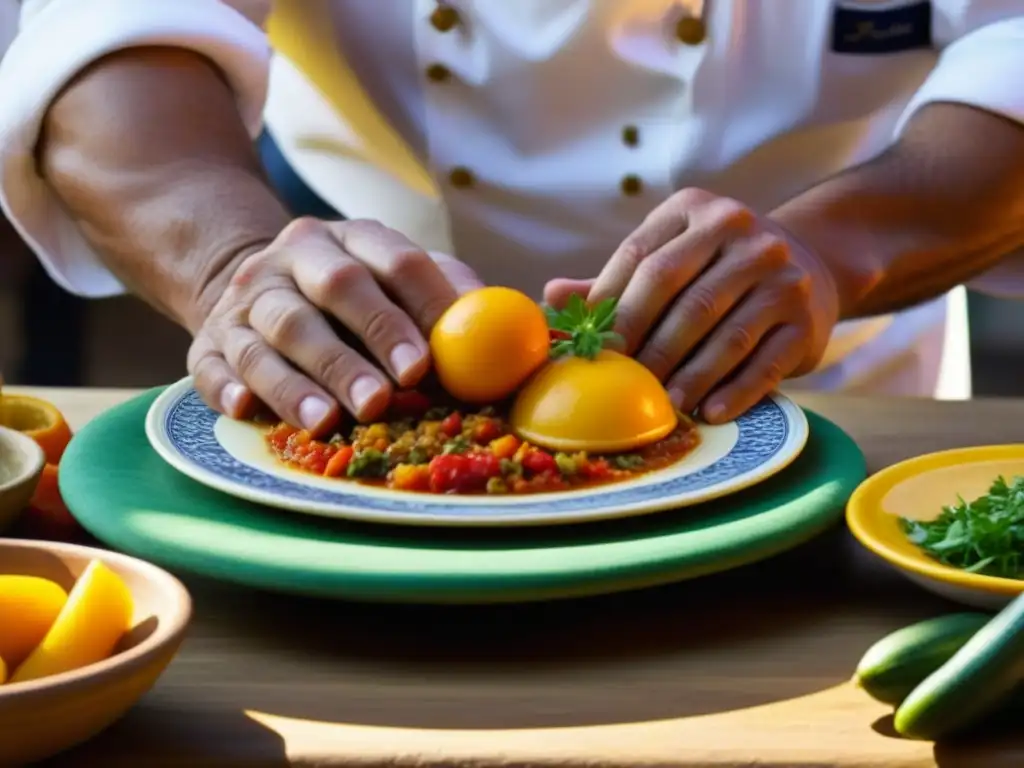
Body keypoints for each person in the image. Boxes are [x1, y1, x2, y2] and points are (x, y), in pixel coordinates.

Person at [1, 1, 1023, 436]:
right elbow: (106, 38)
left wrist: (840, 248)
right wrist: (234, 265)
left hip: (840, 394)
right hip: (373, 386)